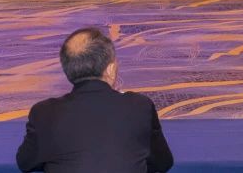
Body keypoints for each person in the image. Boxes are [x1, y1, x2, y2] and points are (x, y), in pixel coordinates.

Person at [16, 28, 173, 173]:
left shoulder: (44, 113)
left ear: (67, 70)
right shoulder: (140, 106)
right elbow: (162, 163)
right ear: (110, 69)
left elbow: (26, 163)